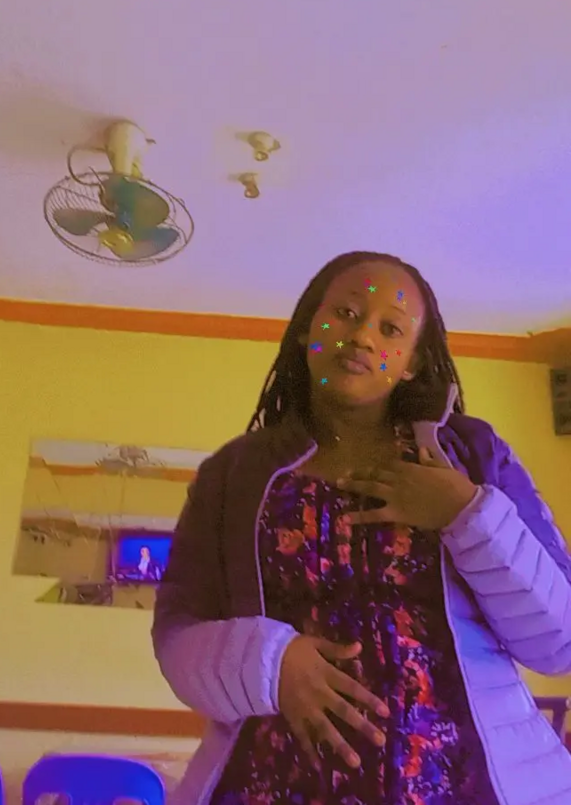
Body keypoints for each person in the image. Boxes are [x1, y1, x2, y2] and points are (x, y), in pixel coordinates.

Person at [152, 251, 571, 805]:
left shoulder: (473, 454)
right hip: (269, 785)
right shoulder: (232, 475)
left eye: (390, 328)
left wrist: (467, 513)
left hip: (466, 787)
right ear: (307, 331)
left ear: (413, 362)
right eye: (345, 313)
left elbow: (560, 641)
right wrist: (269, 664)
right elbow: (176, 635)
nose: (362, 336)